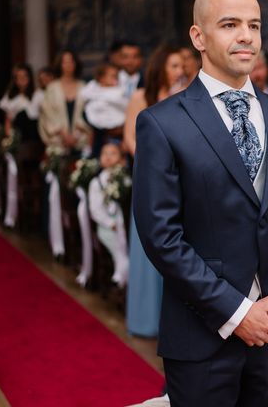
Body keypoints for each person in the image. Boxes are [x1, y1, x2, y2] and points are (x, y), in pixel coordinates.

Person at [132, 0, 268, 406]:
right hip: (202, 334)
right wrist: (238, 313)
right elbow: (161, 236)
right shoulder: (162, 123)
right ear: (198, 37)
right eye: (230, 24)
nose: (246, 36)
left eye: (254, 25)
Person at [124, 45, 184, 338]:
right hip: (149, 178)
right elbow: (128, 138)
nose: (179, 71)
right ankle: (145, 319)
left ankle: (173, 318)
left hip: (180, 180)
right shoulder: (140, 97)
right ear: (160, 66)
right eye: (174, 65)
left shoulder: (184, 98)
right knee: (149, 243)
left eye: (180, 66)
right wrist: (155, 165)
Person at [88, 141, 129, 286]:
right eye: (104, 153)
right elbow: (95, 210)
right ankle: (122, 276)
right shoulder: (97, 182)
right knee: (119, 250)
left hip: (124, 224)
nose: (108, 157)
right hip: (107, 227)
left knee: (126, 244)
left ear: (122, 159)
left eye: (113, 153)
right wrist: (110, 223)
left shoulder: (124, 179)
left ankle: (122, 275)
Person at [38, 50, 91, 154]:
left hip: (80, 142)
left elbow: (88, 113)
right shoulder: (52, 88)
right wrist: (63, 134)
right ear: (60, 64)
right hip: (58, 143)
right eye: (65, 62)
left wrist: (76, 136)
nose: (68, 65)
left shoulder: (84, 87)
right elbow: (48, 113)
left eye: (71, 61)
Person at [81, 63, 128, 158]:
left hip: (118, 136)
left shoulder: (120, 92)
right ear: (101, 78)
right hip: (98, 136)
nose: (116, 78)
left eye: (117, 76)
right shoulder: (92, 92)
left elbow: (124, 105)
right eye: (112, 76)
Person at [0, 63, 44, 142]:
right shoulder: (10, 96)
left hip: (35, 134)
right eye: (19, 76)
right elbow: (8, 120)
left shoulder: (38, 94)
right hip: (18, 135)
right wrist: (8, 140)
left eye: (25, 76)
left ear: (29, 77)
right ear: (15, 79)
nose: (22, 79)